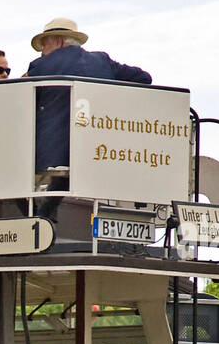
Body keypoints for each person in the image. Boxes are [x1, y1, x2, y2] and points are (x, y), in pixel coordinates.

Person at [24, 17, 151, 208]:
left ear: (58, 41)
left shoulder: (40, 67)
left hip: (55, 151)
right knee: (71, 163)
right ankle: (46, 214)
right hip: (102, 148)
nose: (42, 51)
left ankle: (39, 219)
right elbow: (144, 78)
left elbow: (23, 105)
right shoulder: (103, 61)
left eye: (44, 45)